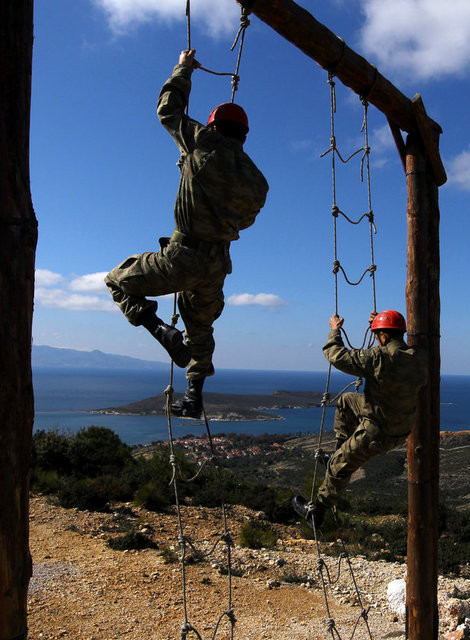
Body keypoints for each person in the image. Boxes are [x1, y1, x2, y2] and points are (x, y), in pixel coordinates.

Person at [105, 50, 269, 418]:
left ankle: (160, 331)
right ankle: (193, 396)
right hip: (217, 263)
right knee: (201, 326)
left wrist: (183, 68)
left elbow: (168, 111)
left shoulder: (202, 142)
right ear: (244, 135)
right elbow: (247, 220)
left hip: (184, 254)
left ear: (213, 126)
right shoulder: (258, 181)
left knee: (117, 279)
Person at [292, 310, 428, 527]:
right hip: (400, 426)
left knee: (338, 467)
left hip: (378, 431)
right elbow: (392, 352)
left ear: (382, 336)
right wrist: (379, 325)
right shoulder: (419, 356)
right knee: (347, 401)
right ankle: (338, 449)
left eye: (378, 335)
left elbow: (335, 354)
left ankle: (317, 512)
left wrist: (334, 331)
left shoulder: (378, 358)